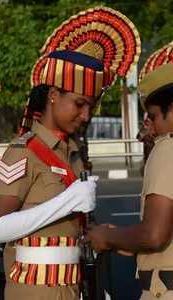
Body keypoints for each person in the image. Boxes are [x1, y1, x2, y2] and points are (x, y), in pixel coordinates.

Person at [0, 7, 141, 300]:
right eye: (79, 103)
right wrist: (66, 200)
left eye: (91, 106)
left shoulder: (71, 151)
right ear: (54, 95)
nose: (86, 115)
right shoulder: (24, 152)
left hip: (73, 284)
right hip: (33, 289)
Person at [86, 62, 173, 300]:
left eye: (154, 116)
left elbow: (154, 234)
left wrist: (107, 236)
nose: (152, 125)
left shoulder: (168, 148)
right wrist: (127, 239)